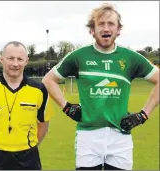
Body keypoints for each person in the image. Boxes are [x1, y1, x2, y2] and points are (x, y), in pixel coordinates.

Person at [42, 3, 159, 170]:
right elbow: (48, 80)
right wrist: (66, 107)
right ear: (92, 30)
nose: (106, 28)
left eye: (111, 24)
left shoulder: (131, 57)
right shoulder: (78, 56)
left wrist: (143, 115)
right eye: (101, 24)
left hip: (120, 137)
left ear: (119, 30)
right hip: (87, 136)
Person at [0, 41, 54, 170]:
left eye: (20, 59)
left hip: (28, 157)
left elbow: (43, 125)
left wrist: (28, 145)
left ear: (26, 61)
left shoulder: (39, 90)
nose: (15, 64)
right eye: (10, 58)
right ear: (1, 60)